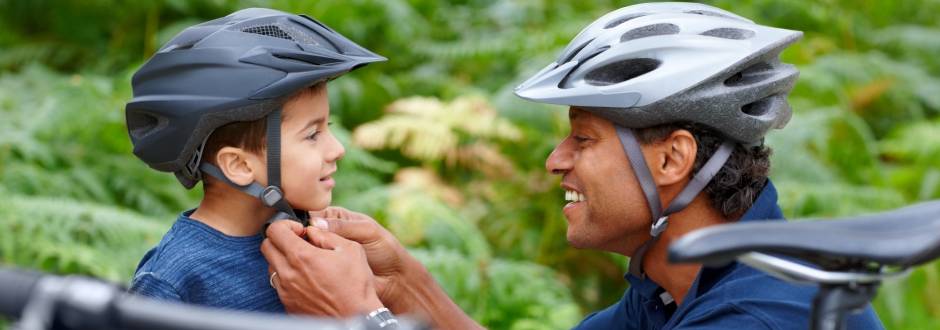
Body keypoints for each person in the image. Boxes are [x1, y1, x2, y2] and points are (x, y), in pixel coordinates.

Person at [261, 2, 884, 329]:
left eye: (582, 140)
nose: (555, 161)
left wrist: (361, 321)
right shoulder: (680, 285)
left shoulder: (754, 316)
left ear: (672, 158)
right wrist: (404, 285)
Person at [123, 7, 386, 314]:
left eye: (328, 127)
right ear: (240, 166)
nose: (338, 149)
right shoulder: (173, 280)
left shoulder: (316, 242)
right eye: (312, 134)